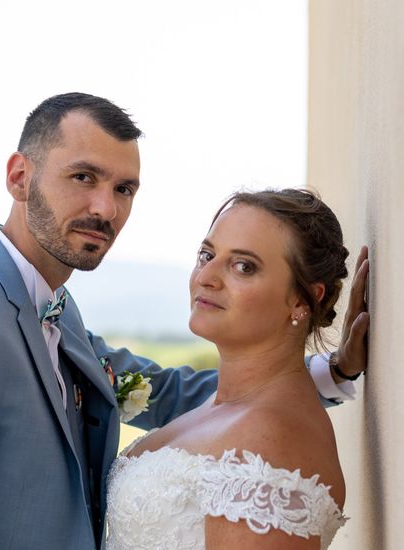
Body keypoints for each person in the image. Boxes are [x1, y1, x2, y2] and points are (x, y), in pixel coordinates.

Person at [0, 93, 370, 549]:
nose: (106, 208)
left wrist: (332, 371)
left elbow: (171, 396)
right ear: (19, 177)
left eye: (124, 189)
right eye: (83, 177)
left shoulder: (58, 314)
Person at [105, 189, 356, 550]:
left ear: (303, 299)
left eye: (244, 266)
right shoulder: (220, 407)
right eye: (206, 255)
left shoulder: (274, 436)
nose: (206, 276)